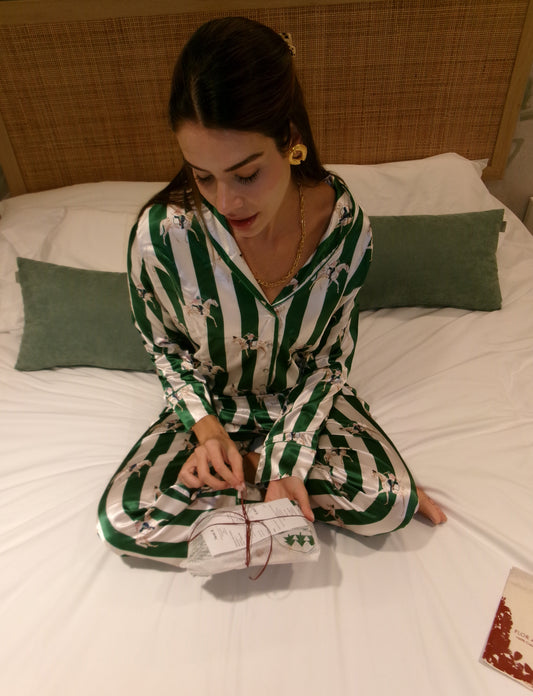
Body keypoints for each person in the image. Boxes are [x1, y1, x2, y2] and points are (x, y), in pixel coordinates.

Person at [97, 17, 445, 566]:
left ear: (290, 141)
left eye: (246, 175)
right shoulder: (163, 235)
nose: (226, 202)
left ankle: (252, 476)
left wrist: (285, 458)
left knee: (388, 505)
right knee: (126, 519)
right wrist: (208, 433)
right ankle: (259, 475)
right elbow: (163, 346)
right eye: (203, 176)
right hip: (210, 408)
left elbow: (331, 360)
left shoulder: (344, 228)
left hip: (303, 404)